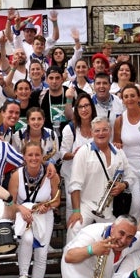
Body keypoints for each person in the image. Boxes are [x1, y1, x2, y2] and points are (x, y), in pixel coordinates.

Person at [66, 116, 135, 242]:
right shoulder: (83, 152)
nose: (101, 133)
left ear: (110, 131)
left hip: (109, 210)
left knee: (119, 238)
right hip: (86, 205)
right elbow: (75, 184)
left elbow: (130, 177)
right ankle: (69, 259)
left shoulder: (119, 152)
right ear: (92, 133)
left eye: (105, 130)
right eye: (97, 131)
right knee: (74, 228)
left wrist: (123, 185)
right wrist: (76, 211)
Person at [9, 142, 61, 278]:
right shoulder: (16, 175)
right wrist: (21, 208)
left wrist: (47, 206)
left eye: (37, 154)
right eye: (30, 155)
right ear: (24, 157)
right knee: (27, 239)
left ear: (42, 156)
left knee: (42, 252)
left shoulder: (52, 175)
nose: (34, 158)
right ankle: (23, 276)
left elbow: (56, 201)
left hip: (44, 215)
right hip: (24, 214)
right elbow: (10, 203)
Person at [113, 85, 140, 219]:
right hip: (130, 170)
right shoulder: (120, 120)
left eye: (132, 95)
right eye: (126, 96)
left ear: (139, 97)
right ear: (122, 100)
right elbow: (116, 144)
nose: (129, 99)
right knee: (133, 206)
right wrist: (116, 144)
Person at [60, 93, 94, 221]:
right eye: (80, 107)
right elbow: (62, 153)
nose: (84, 110)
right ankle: (72, 236)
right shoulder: (70, 129)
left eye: (86, 106)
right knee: (72, 205)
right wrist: (75, 154)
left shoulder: (98, 126)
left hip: (92, 175)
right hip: (72, 173)